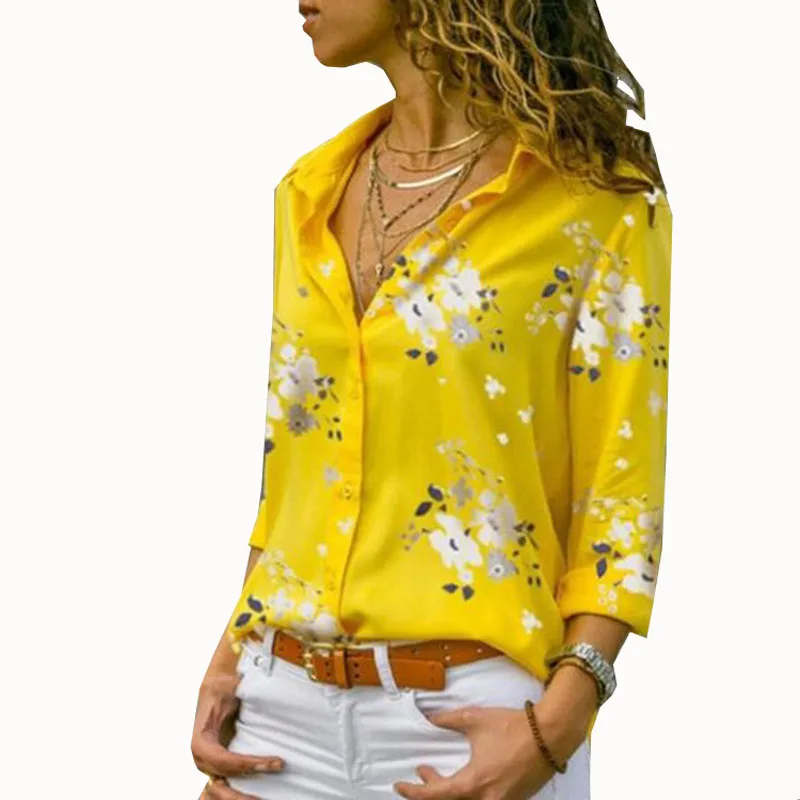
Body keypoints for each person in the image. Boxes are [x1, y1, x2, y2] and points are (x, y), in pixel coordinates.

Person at [191, 1, 672, 798]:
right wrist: (228, 657)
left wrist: (559, 724)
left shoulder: (597, 199)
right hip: (278, 711)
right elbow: (295, 473)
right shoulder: (306, 192)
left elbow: (621, 498)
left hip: (468, 722)